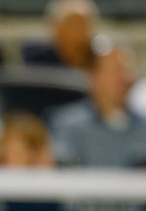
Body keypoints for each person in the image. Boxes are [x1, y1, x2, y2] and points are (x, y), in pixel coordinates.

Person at [49, 35, 146, 167]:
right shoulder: (68, 126)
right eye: (115, 71)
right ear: (93, 77)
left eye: (127, 70)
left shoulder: (143, 128)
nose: (124, 78)